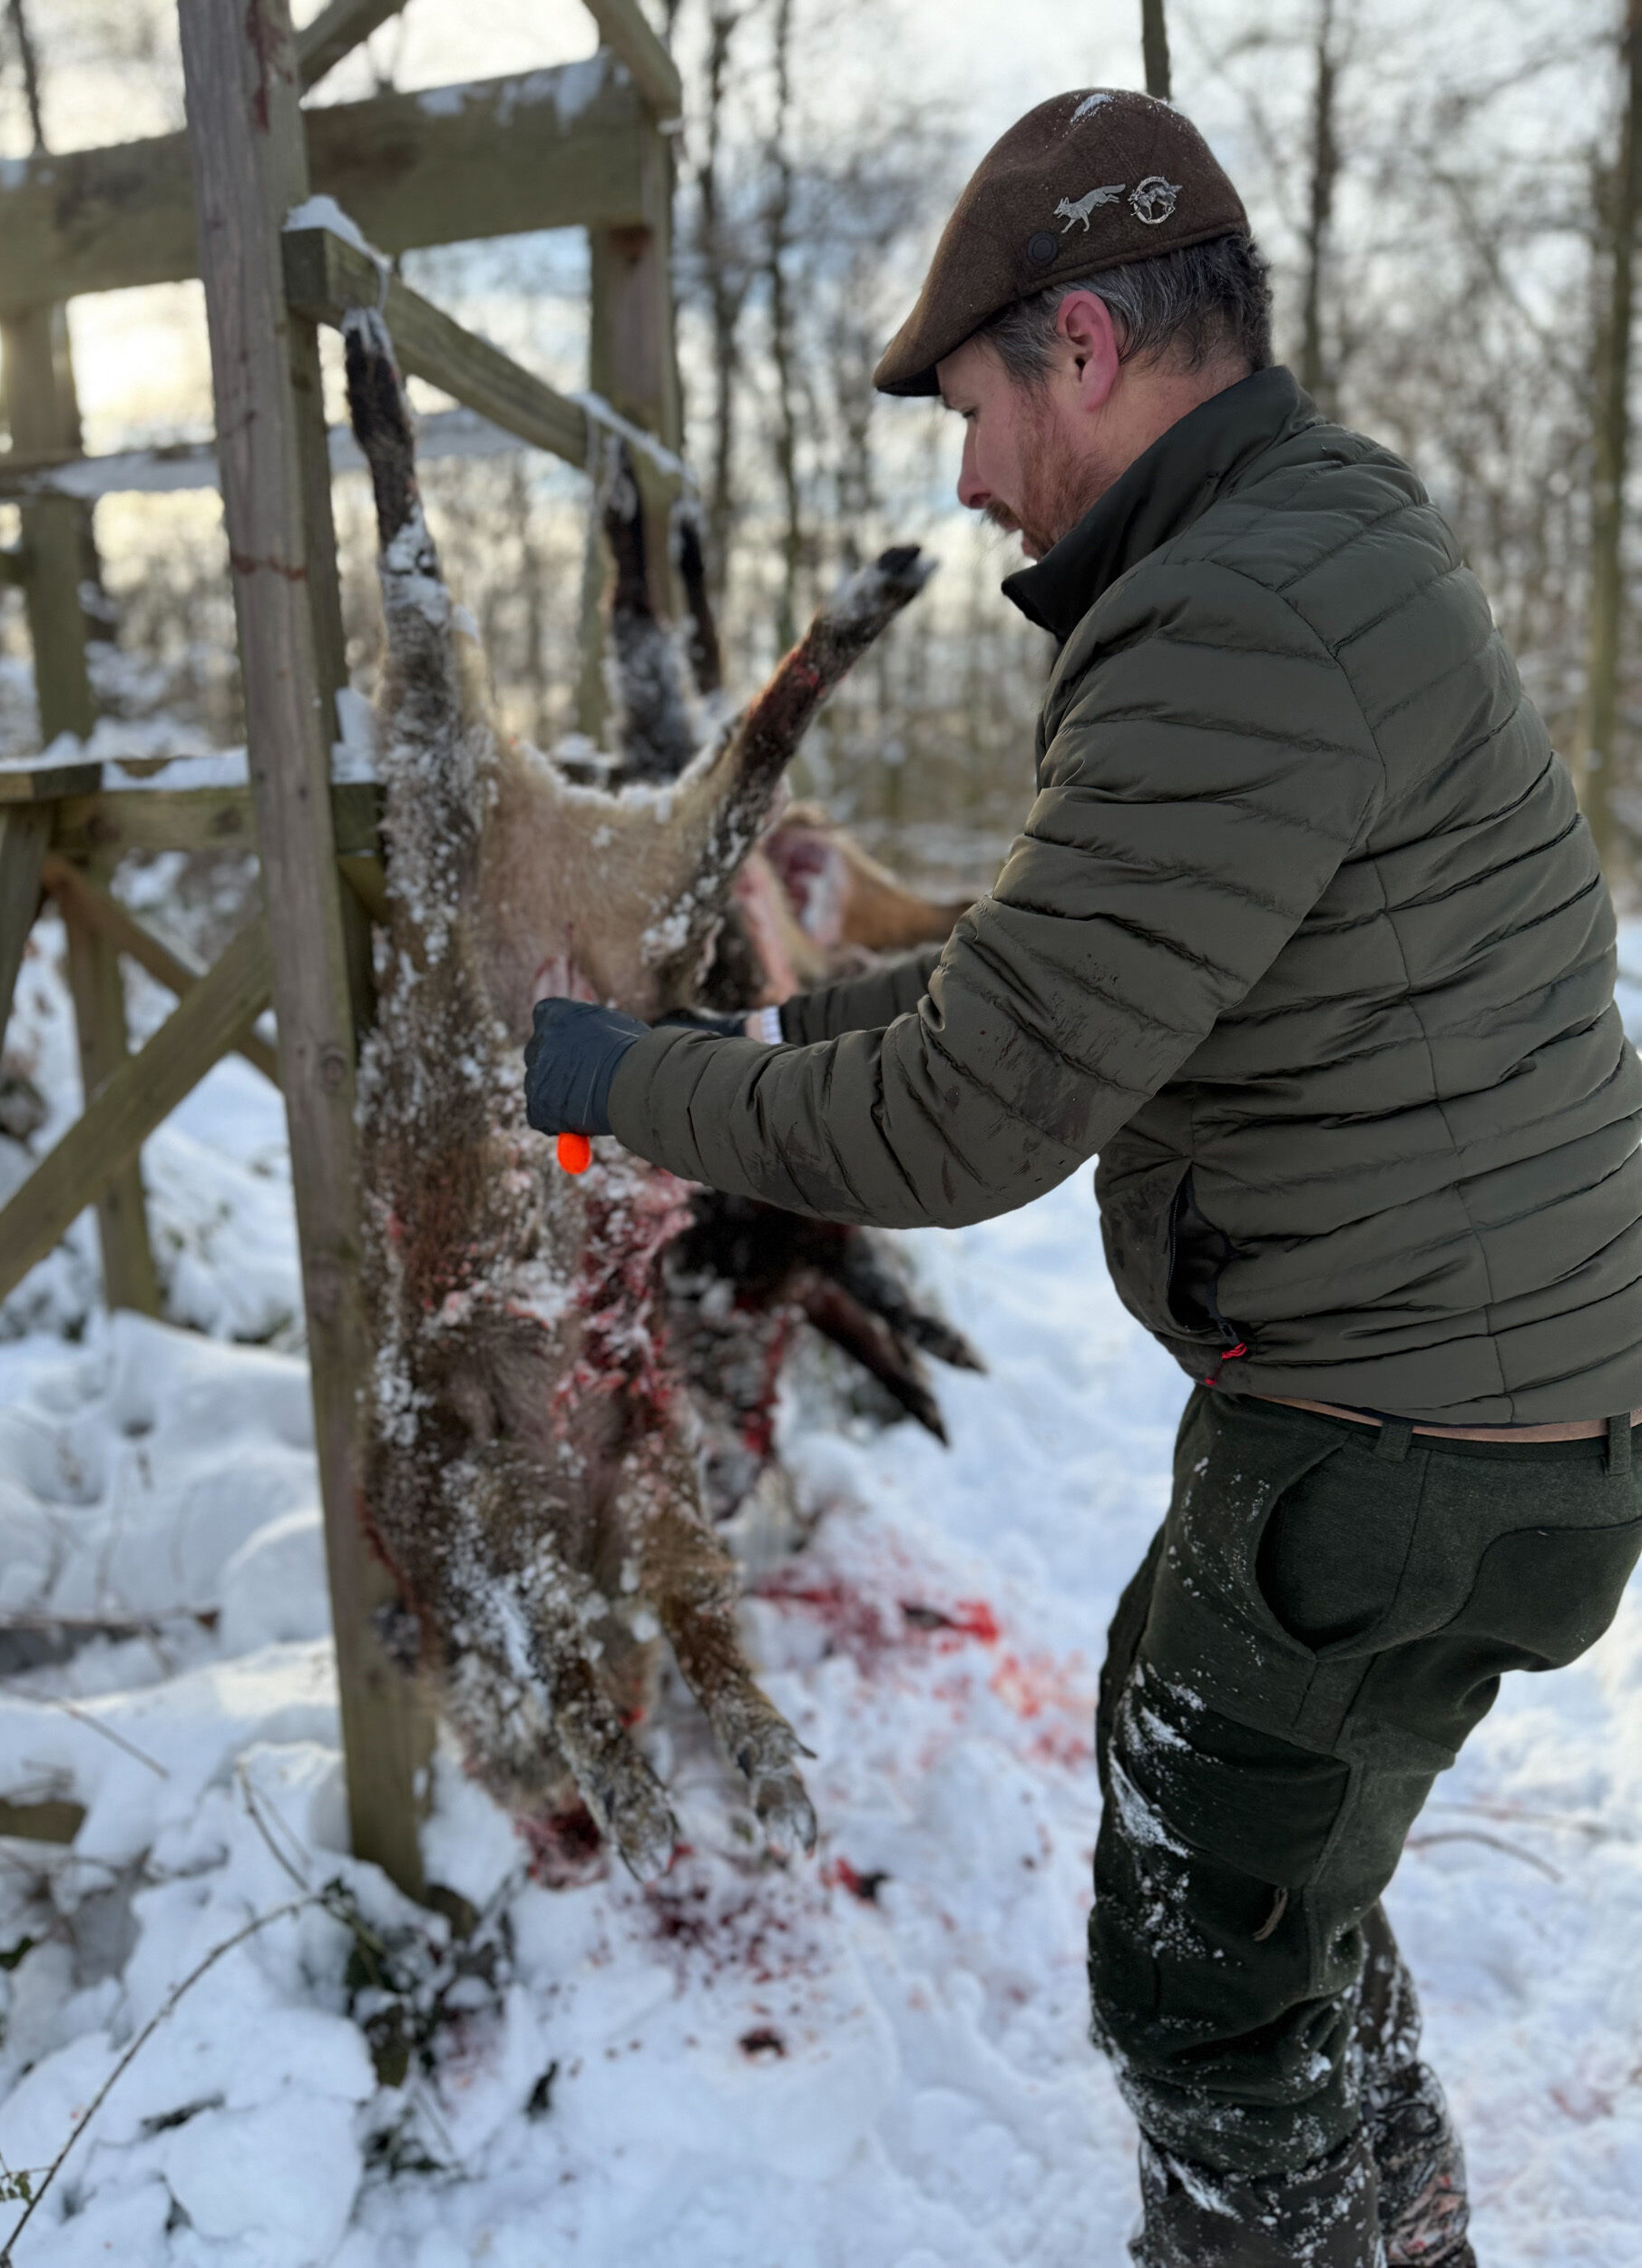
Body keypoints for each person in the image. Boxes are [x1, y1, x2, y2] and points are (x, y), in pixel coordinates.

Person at [524, 88, 1642, 2268]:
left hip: (1402, 1434)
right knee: (1247, 1854)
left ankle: (1306, 2237)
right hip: (1475, 1389)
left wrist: (610, 1086)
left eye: (964, 402)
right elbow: (1042, 985)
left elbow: (971, 1118)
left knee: (1193, 1970)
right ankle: (1390, 2218)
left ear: (1085, 346)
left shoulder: (1228, 625)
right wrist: (746, 1042)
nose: (958, 469)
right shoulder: (1309, 545)